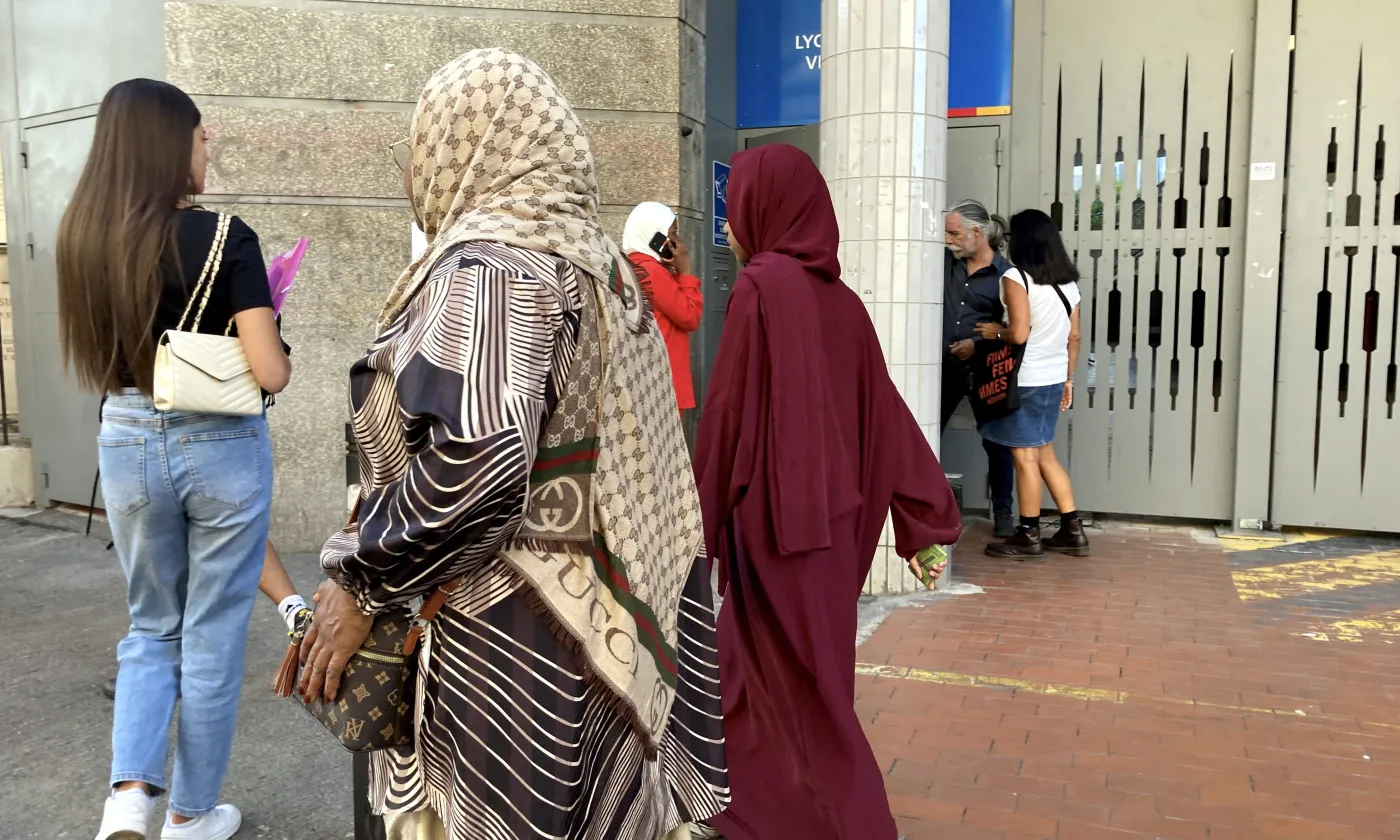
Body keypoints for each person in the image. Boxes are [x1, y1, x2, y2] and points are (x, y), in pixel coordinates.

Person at [297, 49, 728, 840]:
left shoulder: (496, 268)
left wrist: (359, 582)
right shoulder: (607, 271)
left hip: (511, 641)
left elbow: (478, 472)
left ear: (465, 142)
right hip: (607, 635)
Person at [694, 143, 963, 840]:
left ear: (767, 210)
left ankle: (854, 821)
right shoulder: (843, 303)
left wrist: (692, 526)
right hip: (834, 534)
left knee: (785, 687)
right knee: (793, 679)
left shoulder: (759, 286)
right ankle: (755, 811)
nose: (727, 225)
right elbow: (888, 414)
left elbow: (727, 416)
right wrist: (924, 524)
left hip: (774, 531)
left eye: (734, 210)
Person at [57, 79, 291, 840]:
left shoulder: (81, 238)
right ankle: (191, 815)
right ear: (169, 147)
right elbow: (269, 372)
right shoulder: (225, 237)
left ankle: (128, 796)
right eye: (198, 137)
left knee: (151, 625)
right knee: (213, 635)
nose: (207, 147)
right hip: (219, 443)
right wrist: (275, 333)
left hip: (125, 435)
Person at [976, 208, 1089, 559]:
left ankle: (1028, 533)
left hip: (1024, 380)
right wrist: (1069, 379)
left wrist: (996, 331)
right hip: (1054, 377)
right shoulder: (1068, 283)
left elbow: (1019, 333)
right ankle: (1072, 530)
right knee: (1044, 454)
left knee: (1024, 457)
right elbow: (1074, 336)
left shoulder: (1016, 278)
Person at [943, 199, 1018, 537]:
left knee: (997, 441)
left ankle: (1003, 509)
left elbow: (1013, 327)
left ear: (977, 233)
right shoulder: (946, 263)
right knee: (925, 434)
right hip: (944, 367)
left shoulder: (1006, 276)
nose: (948, 239)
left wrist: (978, 344)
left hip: (986, 368)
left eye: (954, 233)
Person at [623, 202, 703, 413]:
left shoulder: (634, 264)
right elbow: (689, 316)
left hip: (648, 378)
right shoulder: (651, 271)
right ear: (654, 236)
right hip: (663, 381)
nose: (677, 242)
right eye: (673, 234)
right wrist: (686, 270)